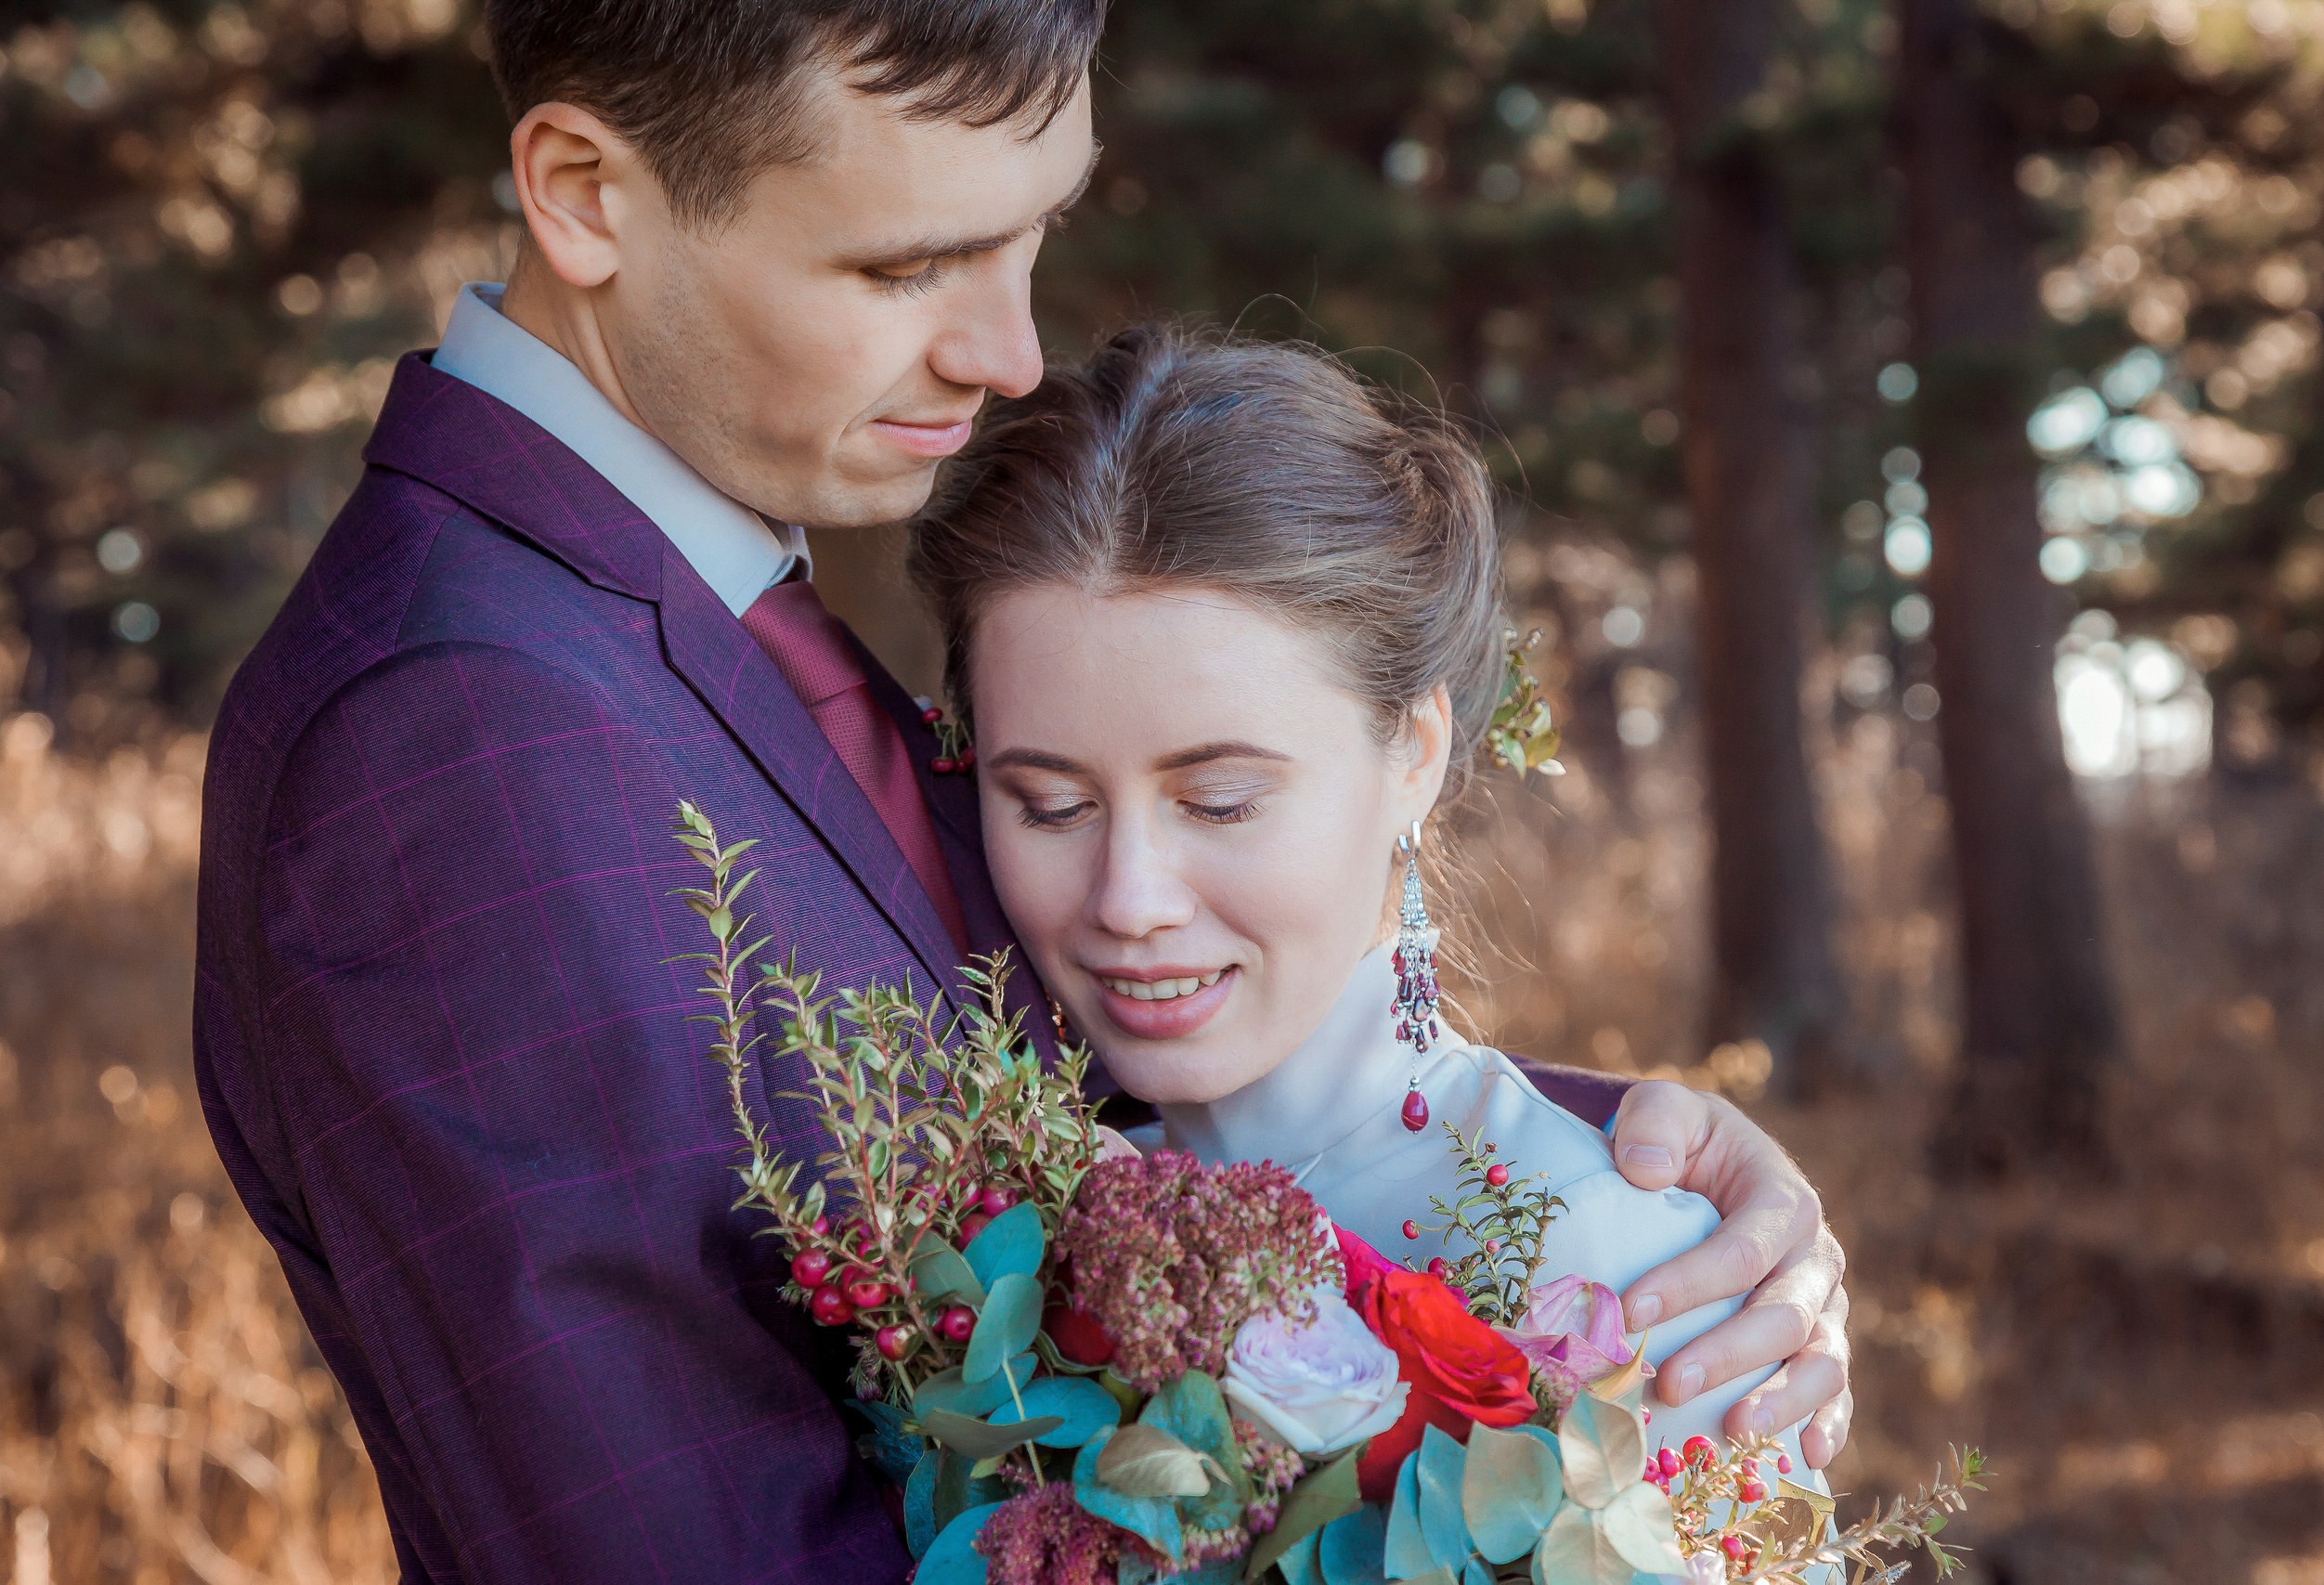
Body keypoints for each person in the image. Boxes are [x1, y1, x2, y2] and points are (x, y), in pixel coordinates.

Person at [192, 6, 1848, 1582]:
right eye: (907, 263)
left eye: (1031, 233)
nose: (1009, 350)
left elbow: (1016, 1053)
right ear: (584, 193)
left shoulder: (689, 618)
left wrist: (1590, 1198)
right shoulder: (455, 726)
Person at [909, 324, 1836, 1475]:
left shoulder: (1626, 1271)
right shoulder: (982, 1239)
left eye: (1222, 800)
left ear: (1414, 750)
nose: (1129, 899)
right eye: (1050, 806)